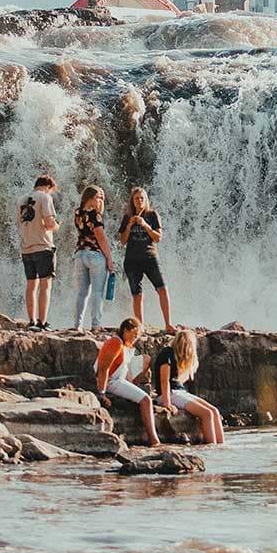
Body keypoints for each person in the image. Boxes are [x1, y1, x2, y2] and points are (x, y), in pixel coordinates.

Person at [148, 328, 223, 446]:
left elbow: (182, 379)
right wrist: (167, 404)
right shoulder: (167, 352)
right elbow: (164, 380)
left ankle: (221, 447)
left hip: (179, 391)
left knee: (214, 411)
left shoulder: (179, 357)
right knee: (206, 414)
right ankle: (212, 447)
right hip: (170, 393)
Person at [95, 317, 160, 447]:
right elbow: (103, 369)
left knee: (145, 359)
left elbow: (125, 366)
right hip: (111, 381)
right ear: (125, 330)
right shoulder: (115, 342)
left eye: (137, 336)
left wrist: (131, 384)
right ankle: (154, 440)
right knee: (146, 400)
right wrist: (102, 393)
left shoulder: (124, 344)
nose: (135, 338)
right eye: (133, 335)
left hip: (119, 378)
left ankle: (153, 439)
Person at [118, 185, 171, 329]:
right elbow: (122, 241)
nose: (139, 201)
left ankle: (168, 324)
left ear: (146, 200)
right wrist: (129, 225)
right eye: (136, 198)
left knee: (162, 289)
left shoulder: (153, 215)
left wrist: (145, 225)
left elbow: (158, 237)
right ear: (132, 201)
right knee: (137, 294)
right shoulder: (127, 217)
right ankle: (139, 326)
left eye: (142, 198)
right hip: (132, 260)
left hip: (150, 257)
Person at [69, 183, 115, 330]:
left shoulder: (78, 212)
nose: (101, 201)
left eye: (102, 198)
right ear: (89, 198)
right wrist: (109, 259)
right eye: (98, 197)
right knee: (97, 291)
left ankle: (77, 325)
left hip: (80, 254)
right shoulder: (95, 215)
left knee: (82, 292)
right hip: (95, 255)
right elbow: (101, 238)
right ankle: (96, 324)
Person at [17, 174, 58, 329]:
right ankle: (42, 322)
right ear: (48, 186)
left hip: (26, 248)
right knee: (45, 286)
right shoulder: (45, 198)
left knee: (30, 286)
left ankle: (31, 321)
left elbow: (20, 223)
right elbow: (49, 222)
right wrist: (56, 226)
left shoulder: (21, 200)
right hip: (43, 246)